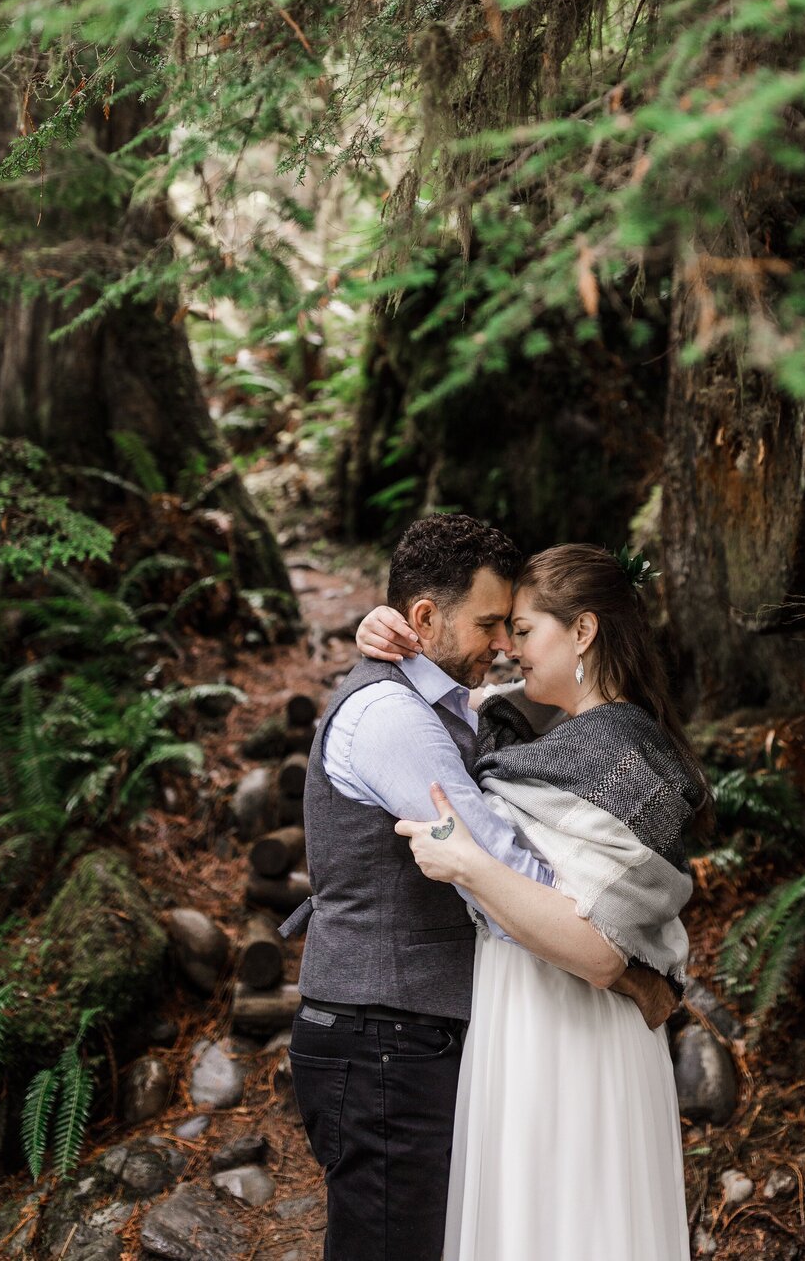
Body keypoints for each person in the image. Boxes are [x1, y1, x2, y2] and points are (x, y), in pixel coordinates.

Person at [282, 515, 675, 1261]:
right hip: (383, 1039)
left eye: (512, 626)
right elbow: (500, 864)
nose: (503, 643)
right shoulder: (391, 716)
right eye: (490, 623)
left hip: (408, 1035)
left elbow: (506, 709)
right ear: (426, 618)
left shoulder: (443, 700)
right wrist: (621, 959)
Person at [367, 542, 710, 1261]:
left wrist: (468, 866)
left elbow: (598, 947)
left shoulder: (624, 754)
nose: (507, 649)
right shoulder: (541, 731)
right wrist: (382, 631)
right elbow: (455, 706)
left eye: (522, 630)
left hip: (577, 1035)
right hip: (525, 1018)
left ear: (581, 631)